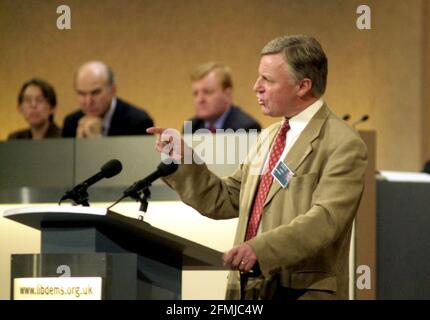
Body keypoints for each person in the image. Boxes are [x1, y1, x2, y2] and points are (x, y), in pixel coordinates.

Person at [148, 35, 368, 300]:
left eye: (268, 80)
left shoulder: (343, 143)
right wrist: (186, 160)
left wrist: (259, 250)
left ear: (303, 86)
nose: (256, 87)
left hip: (299, 292)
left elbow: (326, 219)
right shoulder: (268, 137)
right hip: (247, 291)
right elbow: (227, 199)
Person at [62, 61, 154, 138]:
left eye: (95, 93)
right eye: (81, 93)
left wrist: (97, 139)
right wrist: (78, 146)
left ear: (113, 90)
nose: (88, 102)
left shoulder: (138, 121)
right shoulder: (71, 123)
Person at [184, 62, 261, 133]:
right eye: (195, 94)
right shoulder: (191, 127)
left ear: (227, 94)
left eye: (207, 92)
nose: (200, 99)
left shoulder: (247, 128)